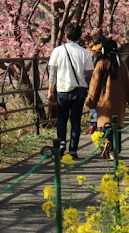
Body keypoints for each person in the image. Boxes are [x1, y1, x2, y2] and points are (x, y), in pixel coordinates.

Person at [48, 23, 94, 159]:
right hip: (79, 91)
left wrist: (51, 91)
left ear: (65, 36)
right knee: (76, 121)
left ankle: (61, 142)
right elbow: (89, 75)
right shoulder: (85, 53)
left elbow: (53, 73)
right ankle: (73, 149)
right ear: (80, 37)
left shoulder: (57, 51)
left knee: (62, 119)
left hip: (62, 90)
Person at [85, 38, 129, 158]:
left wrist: (90, 101)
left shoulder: (101, 63)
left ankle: (107, 147)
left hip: (105, 103)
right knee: (117, 127)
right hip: (119, 104)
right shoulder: (121, 64)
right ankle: (115, 149)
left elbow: (95, 84)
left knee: (105, 127)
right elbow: (128, 84)